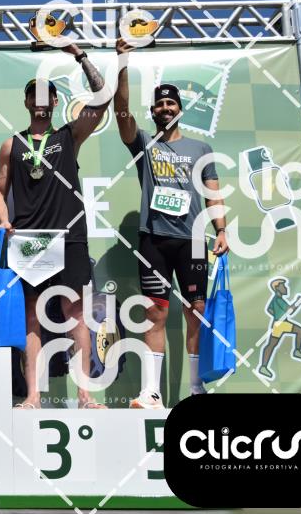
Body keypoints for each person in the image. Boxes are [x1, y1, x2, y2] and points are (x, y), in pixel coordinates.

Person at [0, 44, 110, 409]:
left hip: (69, 235)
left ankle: (85, 394)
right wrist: (4, 220)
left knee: (75, 313)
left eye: (46, 95)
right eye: (34, 95)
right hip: (30, 239)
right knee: (32, 315)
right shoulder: (11, 144)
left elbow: (103, 97)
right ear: (27, 102)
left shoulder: (69, 136)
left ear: (56, 102)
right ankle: (33, 395)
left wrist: (79, 55)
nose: (40, 100)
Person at [114, 38, 229, 409]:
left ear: (180, 109)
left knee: (196, 313)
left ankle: (196, 388)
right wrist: (123, 61)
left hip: (193, 240)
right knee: (155, 312)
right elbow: (121, 111)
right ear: (153, 111)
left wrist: (221, 230)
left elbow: (213, 193)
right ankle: (151, 392)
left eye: (171, 104)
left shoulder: (201, 149)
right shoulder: (144, 143)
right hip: (153, 240)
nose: (165, 108)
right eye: (160, 104)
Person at [257, 277, 301, 379]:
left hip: (280, 323)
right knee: (273, 344)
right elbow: (290, 311)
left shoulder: (276, 299)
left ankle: (264, 366)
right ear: (277, 288)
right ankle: (264, 366)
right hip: (280, 325)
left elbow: (269, 309)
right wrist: (298, 302)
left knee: (272, 344)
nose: (286, 288)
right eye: (283, 286)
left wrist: (277, 314)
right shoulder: (278, 300)